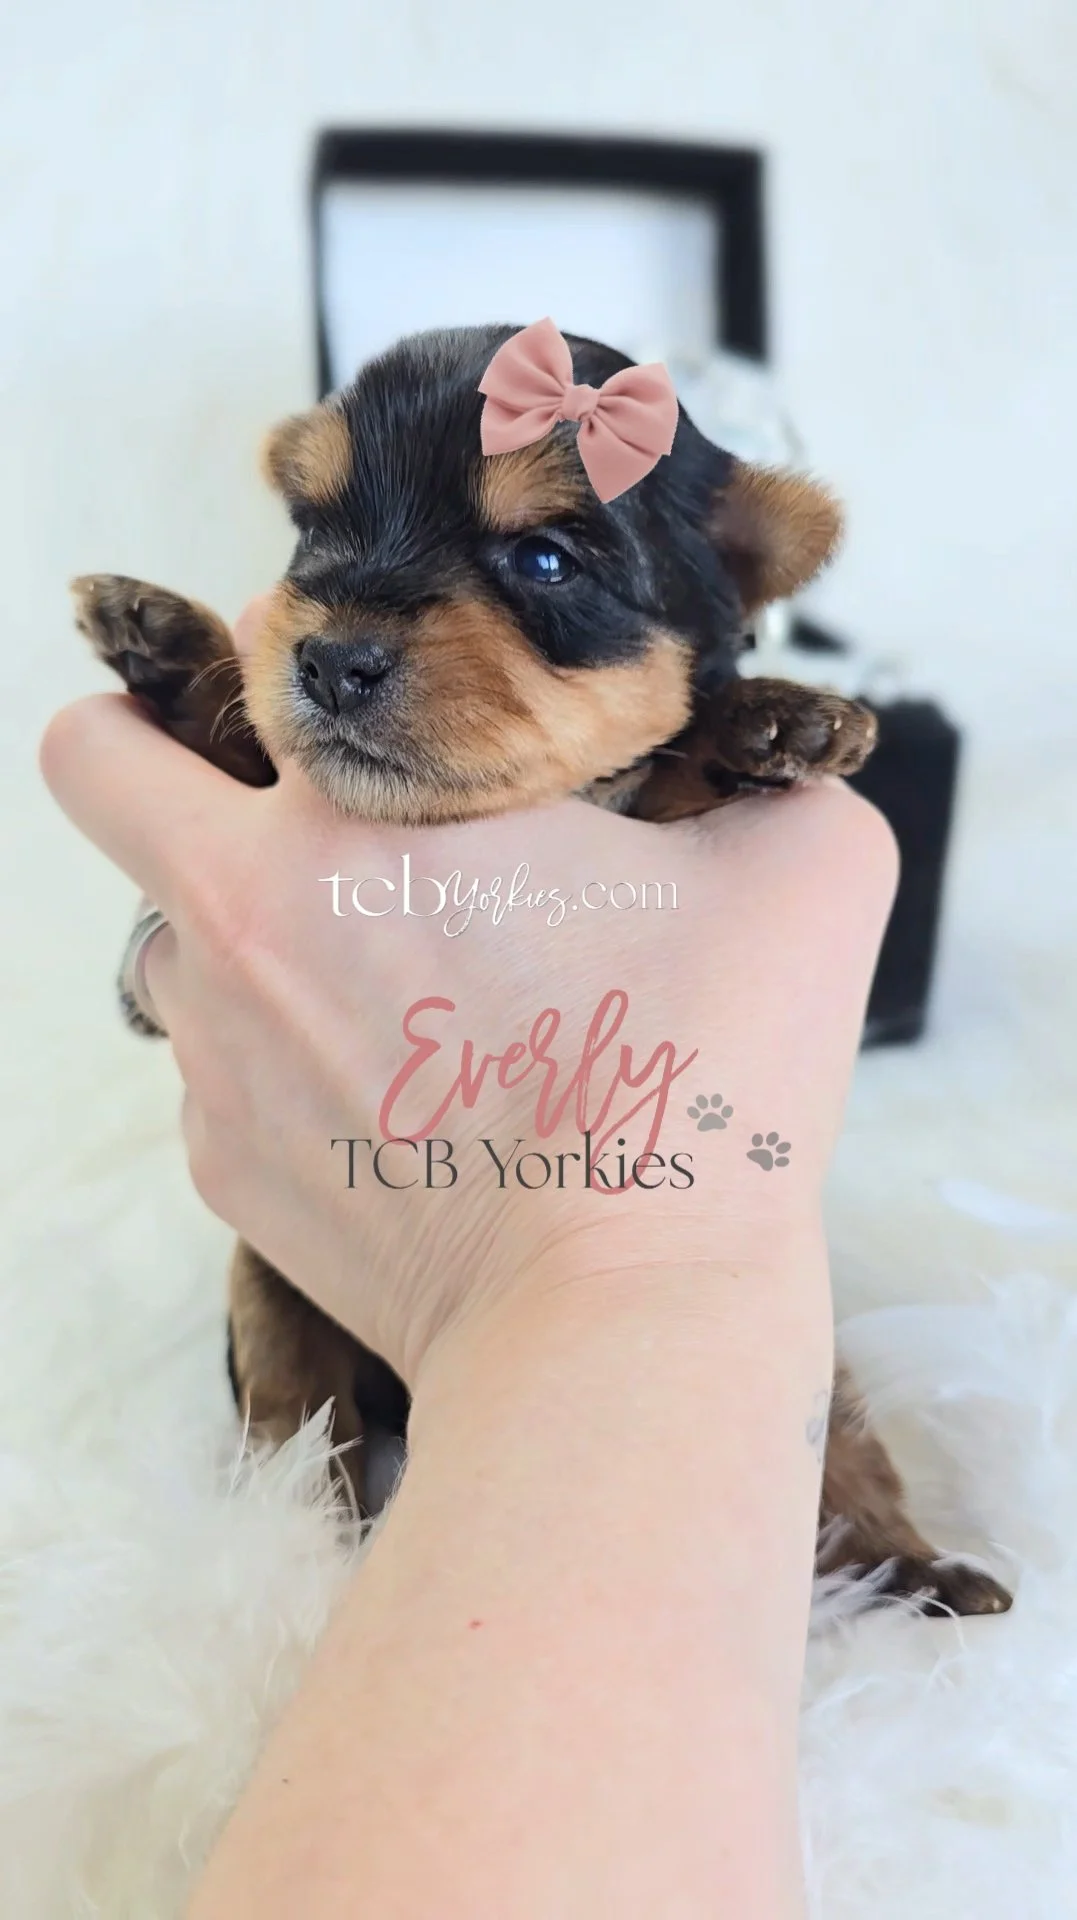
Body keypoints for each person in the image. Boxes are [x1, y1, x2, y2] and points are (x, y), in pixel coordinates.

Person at [40, 601, 896, 1920]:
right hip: (337, 1255)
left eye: (536, 568)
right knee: (278, 1345)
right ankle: (301, 1475)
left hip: (601, 1279)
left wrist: (584, 1255)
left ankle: (886, 1543)